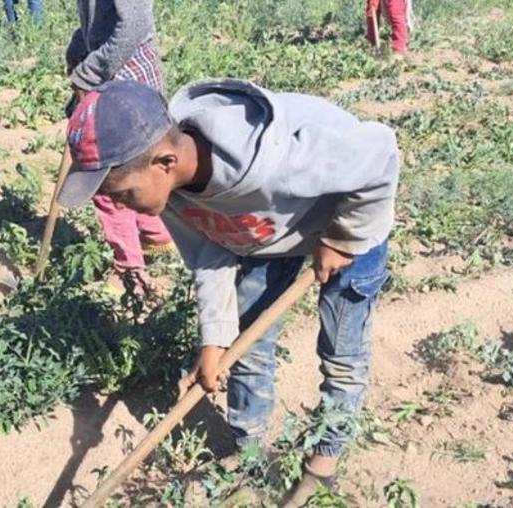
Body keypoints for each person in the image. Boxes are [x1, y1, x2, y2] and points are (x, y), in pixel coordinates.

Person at [58, 79, 398, 506]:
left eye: (123, 194)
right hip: (263, 238)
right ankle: (249, 450)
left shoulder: (278, 156)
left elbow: (380, 153)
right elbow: (209, 252)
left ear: (164, 162)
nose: (122, 206)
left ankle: (323, 463)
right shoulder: (174, 194)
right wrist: (214, 338)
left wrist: (343, 237)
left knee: (342, 355)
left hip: (346, 228)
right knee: (245, 349)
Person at [65, 0, 172, 294]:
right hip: (112, 65)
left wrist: (90, 71)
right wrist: (77, 46)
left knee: (109, 177)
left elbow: (133, 27)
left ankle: (130, 271)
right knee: (134, 171)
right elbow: (98, 22)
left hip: (124, 71)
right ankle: (157, 235)